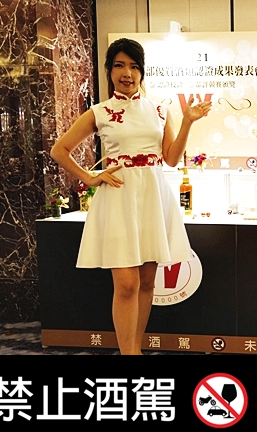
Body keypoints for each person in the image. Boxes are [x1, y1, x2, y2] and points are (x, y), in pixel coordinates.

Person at [51, 38, 212, 355]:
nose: (127, 73)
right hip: (119, 199)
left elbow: (171, 158)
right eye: (120, 65)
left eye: (134, 66)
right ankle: (129, 353)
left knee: (147, 282)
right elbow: (60, 150)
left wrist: (188, 122)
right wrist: (90, 178)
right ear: (110, 71)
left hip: (152, 196)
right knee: (126, 284)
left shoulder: (159, 109)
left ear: (142, 72)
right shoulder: (100, 112)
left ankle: (134, 348)